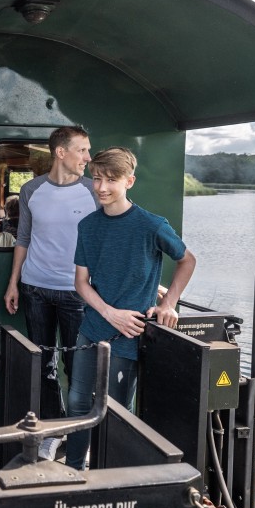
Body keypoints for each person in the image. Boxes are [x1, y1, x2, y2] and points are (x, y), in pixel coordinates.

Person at [65, 146, 197, 470]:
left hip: (129, 335)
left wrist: (169, 303)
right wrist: (109, 312)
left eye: (111, 179)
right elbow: (81, 282)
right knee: (78, 403)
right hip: (92, 329)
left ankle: (110, 476)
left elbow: (187, 260)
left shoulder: (152, 225)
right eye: (97, 179)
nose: (102, 187)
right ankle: (72, 470)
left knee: (116, 412)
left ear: (129, 181)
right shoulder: (88, 226)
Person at [2, 126, 97, 460]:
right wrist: (13, 283)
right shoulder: (31, 190)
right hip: (36, 289)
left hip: (77, 294)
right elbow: (23, 238)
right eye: (82, 150)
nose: (87, 157)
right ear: (61, 152)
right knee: (43, 366)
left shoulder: (93, 190)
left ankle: (78, 438)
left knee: (77, 368)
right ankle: (53, 432)